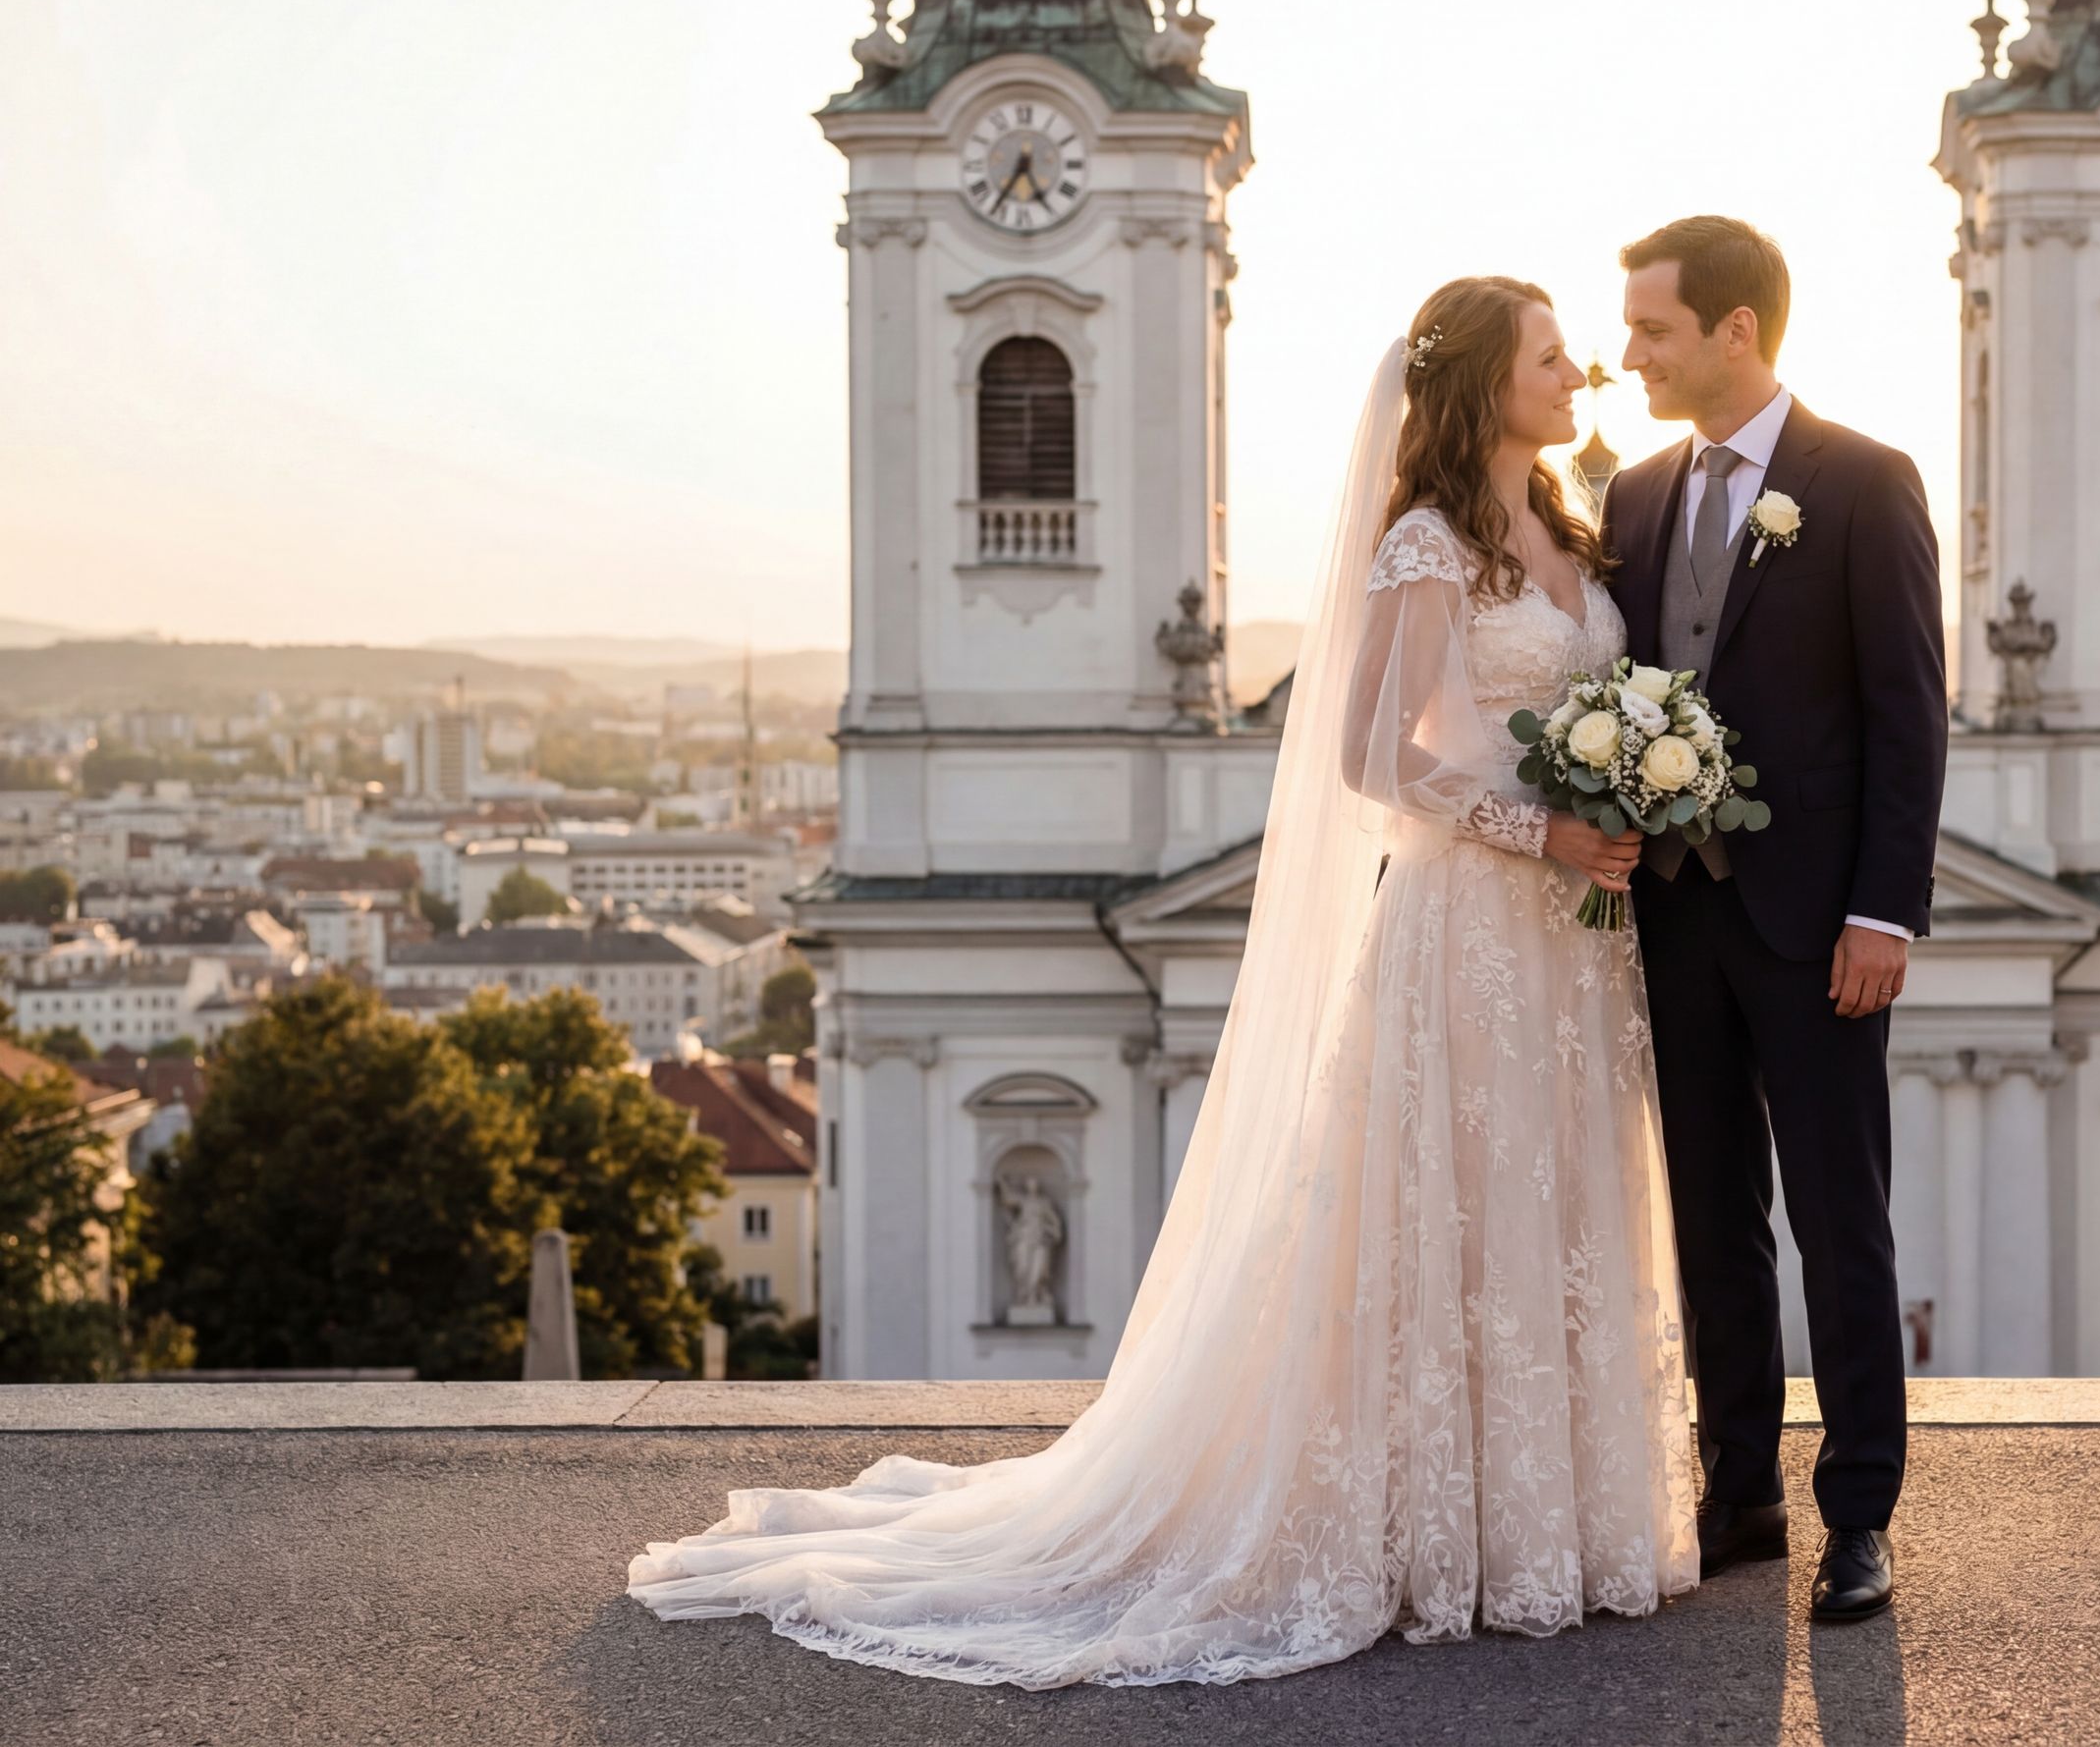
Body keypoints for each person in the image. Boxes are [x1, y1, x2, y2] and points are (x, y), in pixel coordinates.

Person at [627, 276, 1698, 1686]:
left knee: (1548, 1208)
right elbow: (1373, 756)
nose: (1581, 376)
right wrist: (1535, 823)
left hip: (1570, 941)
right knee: (1446, 1213)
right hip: (1469, 927)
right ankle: (1441, 1531)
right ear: (1484, 382)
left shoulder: (1573, 528)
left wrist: (1630, 782)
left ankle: (1544, 1525)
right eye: (1553, 356)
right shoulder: (1425, 542)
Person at [1603, 216, 1946, 1623]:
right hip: (1672, 921)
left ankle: (1857, 1510)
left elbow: (1907, 713)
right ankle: (1738, 1483)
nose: (1631, 354)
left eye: (1653, 331)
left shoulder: (1863, 482)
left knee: (1838, 1219)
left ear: (1736, 330)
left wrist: (1886, 911)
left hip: (1819, 926)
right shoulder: (1630, 494)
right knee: (1709, 1214)